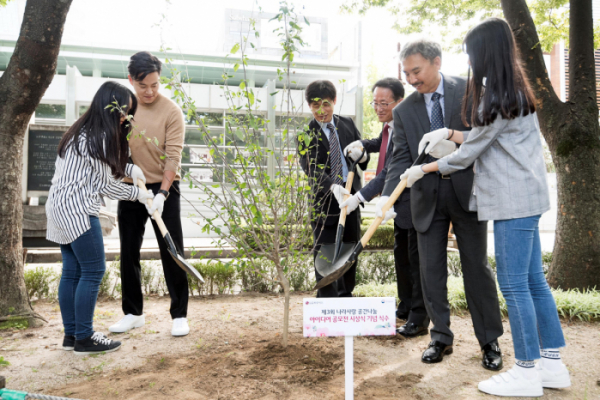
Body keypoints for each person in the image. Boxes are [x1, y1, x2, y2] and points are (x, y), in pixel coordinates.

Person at [403, 18, 570, 397]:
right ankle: (552, 365)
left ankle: (527, 370)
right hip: (529, 195)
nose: (468, 60)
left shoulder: (495, 94)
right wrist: (448, 133)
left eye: (470, 53)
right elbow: (482, 136)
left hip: (512, 200)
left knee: (514, 284)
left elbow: (469, 153)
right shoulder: (512, 88)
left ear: (483, 53)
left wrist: (423, 168)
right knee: (533, 282)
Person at [377, 39, 504, 370]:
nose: (412, 80)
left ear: (437, 61)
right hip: (425, 198)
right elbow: (400, 157)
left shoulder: (471, 90)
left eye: (416, 71)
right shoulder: (404, 111)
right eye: (406, 73)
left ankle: (489, 339)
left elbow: (485, 135)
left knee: (476, 269)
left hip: (467, 192)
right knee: (430, 271)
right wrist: (388, 198)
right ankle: (440, 337)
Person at [46, 81, 153, 355]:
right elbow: (104, 185)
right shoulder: (101, 137)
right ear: (109, 107)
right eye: (122, 111)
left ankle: (71, 336)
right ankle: (84, 337)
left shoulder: (80, 131)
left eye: (128, 112)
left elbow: (100, 170)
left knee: (72, 271)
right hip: (78, 209)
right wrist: (137, 194)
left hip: (58, 207)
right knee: (93, 270)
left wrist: (130, 167)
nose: (124, 117)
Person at [340, 77, 430, 337]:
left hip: (413, 203)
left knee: (415, 262)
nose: (378, 108)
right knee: (401, 257)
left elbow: (390, 169)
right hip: (397, 205)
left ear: (400, 102)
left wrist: (359, 197)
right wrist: (363, 145)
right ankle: (405, 306)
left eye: (384, 103)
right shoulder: (390, 126)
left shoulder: (408, 127)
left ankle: (418, 318)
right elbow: (382, 141)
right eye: (375, 102)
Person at [109, 51, 189, 337]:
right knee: (128, 250)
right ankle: (132, 312)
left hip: (163, 187)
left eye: (155, 84)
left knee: (172, 250)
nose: (150, 91)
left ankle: (179, 314)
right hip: (131, 186)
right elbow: (114, 150)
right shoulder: (122, 109)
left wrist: (162, 194)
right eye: (143, 86)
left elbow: (173, 157)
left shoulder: (171, 111)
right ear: (131, 80)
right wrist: (128, 172)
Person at [298, 80, 369, 297]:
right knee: (326, 255)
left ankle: (345, 298)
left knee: (349, 251)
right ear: (309, 105)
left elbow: (361, 158)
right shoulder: (306, 135)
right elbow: (311, 169)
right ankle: (326, 302)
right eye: (315, 105)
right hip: (325, 204)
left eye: (326, 104)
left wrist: (364, 156)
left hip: (351, 200)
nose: (321, 110)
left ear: (335, 101)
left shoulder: (347, 124)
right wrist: (333, 187)